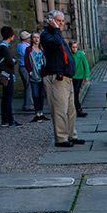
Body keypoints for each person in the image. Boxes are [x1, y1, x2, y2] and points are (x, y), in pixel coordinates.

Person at [41, 10, 85, 148]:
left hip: (67, 78)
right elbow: (55, 43)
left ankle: (72, 135)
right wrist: (55, 29)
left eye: (62, 21)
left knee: (71, 110)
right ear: (50, 21)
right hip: (57, 78)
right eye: (58, 21)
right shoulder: (47, 35)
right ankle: (61, 137)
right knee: (60, 109)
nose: (61, 24)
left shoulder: (58, 35)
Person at [0, 26, 21, 127]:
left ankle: (5, 120)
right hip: (7, 74)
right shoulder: (4, 47)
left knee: (6, 97)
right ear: (11, 36)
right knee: (8, 98)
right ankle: (10, 120)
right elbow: (12, 61)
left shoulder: (3, 47)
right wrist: (13, 60)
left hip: (5, 74)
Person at [24, 32, 48, 123]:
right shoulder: (29, 50)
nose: (36, 39)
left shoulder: (42, 50)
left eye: (38, 37)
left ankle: (41, 112)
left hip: (41, 74)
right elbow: (26, 61)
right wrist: (30, 72)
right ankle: (37, 113)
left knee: (41, 94)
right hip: (34, 75)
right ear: (31, 39)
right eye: (34, 37)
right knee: (35, 94)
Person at [70, 41, 90, 118]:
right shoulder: (69, 55)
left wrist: (87, 75)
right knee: (72, 93)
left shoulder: (81, 54)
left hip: (79, 76)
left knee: (76, 91)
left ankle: (78, 109)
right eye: (73, 47)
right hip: (71, 77)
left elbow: (86, 64)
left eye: (76, 47)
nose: (74, 49)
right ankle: (74, 109)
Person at [16, 31, 33, 111]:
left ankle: (27, 104)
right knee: (28, 87)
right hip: (25, 67)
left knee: (27, 87)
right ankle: (28, 105)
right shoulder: (25, 47)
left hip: (22, 67)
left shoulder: (19, 45)